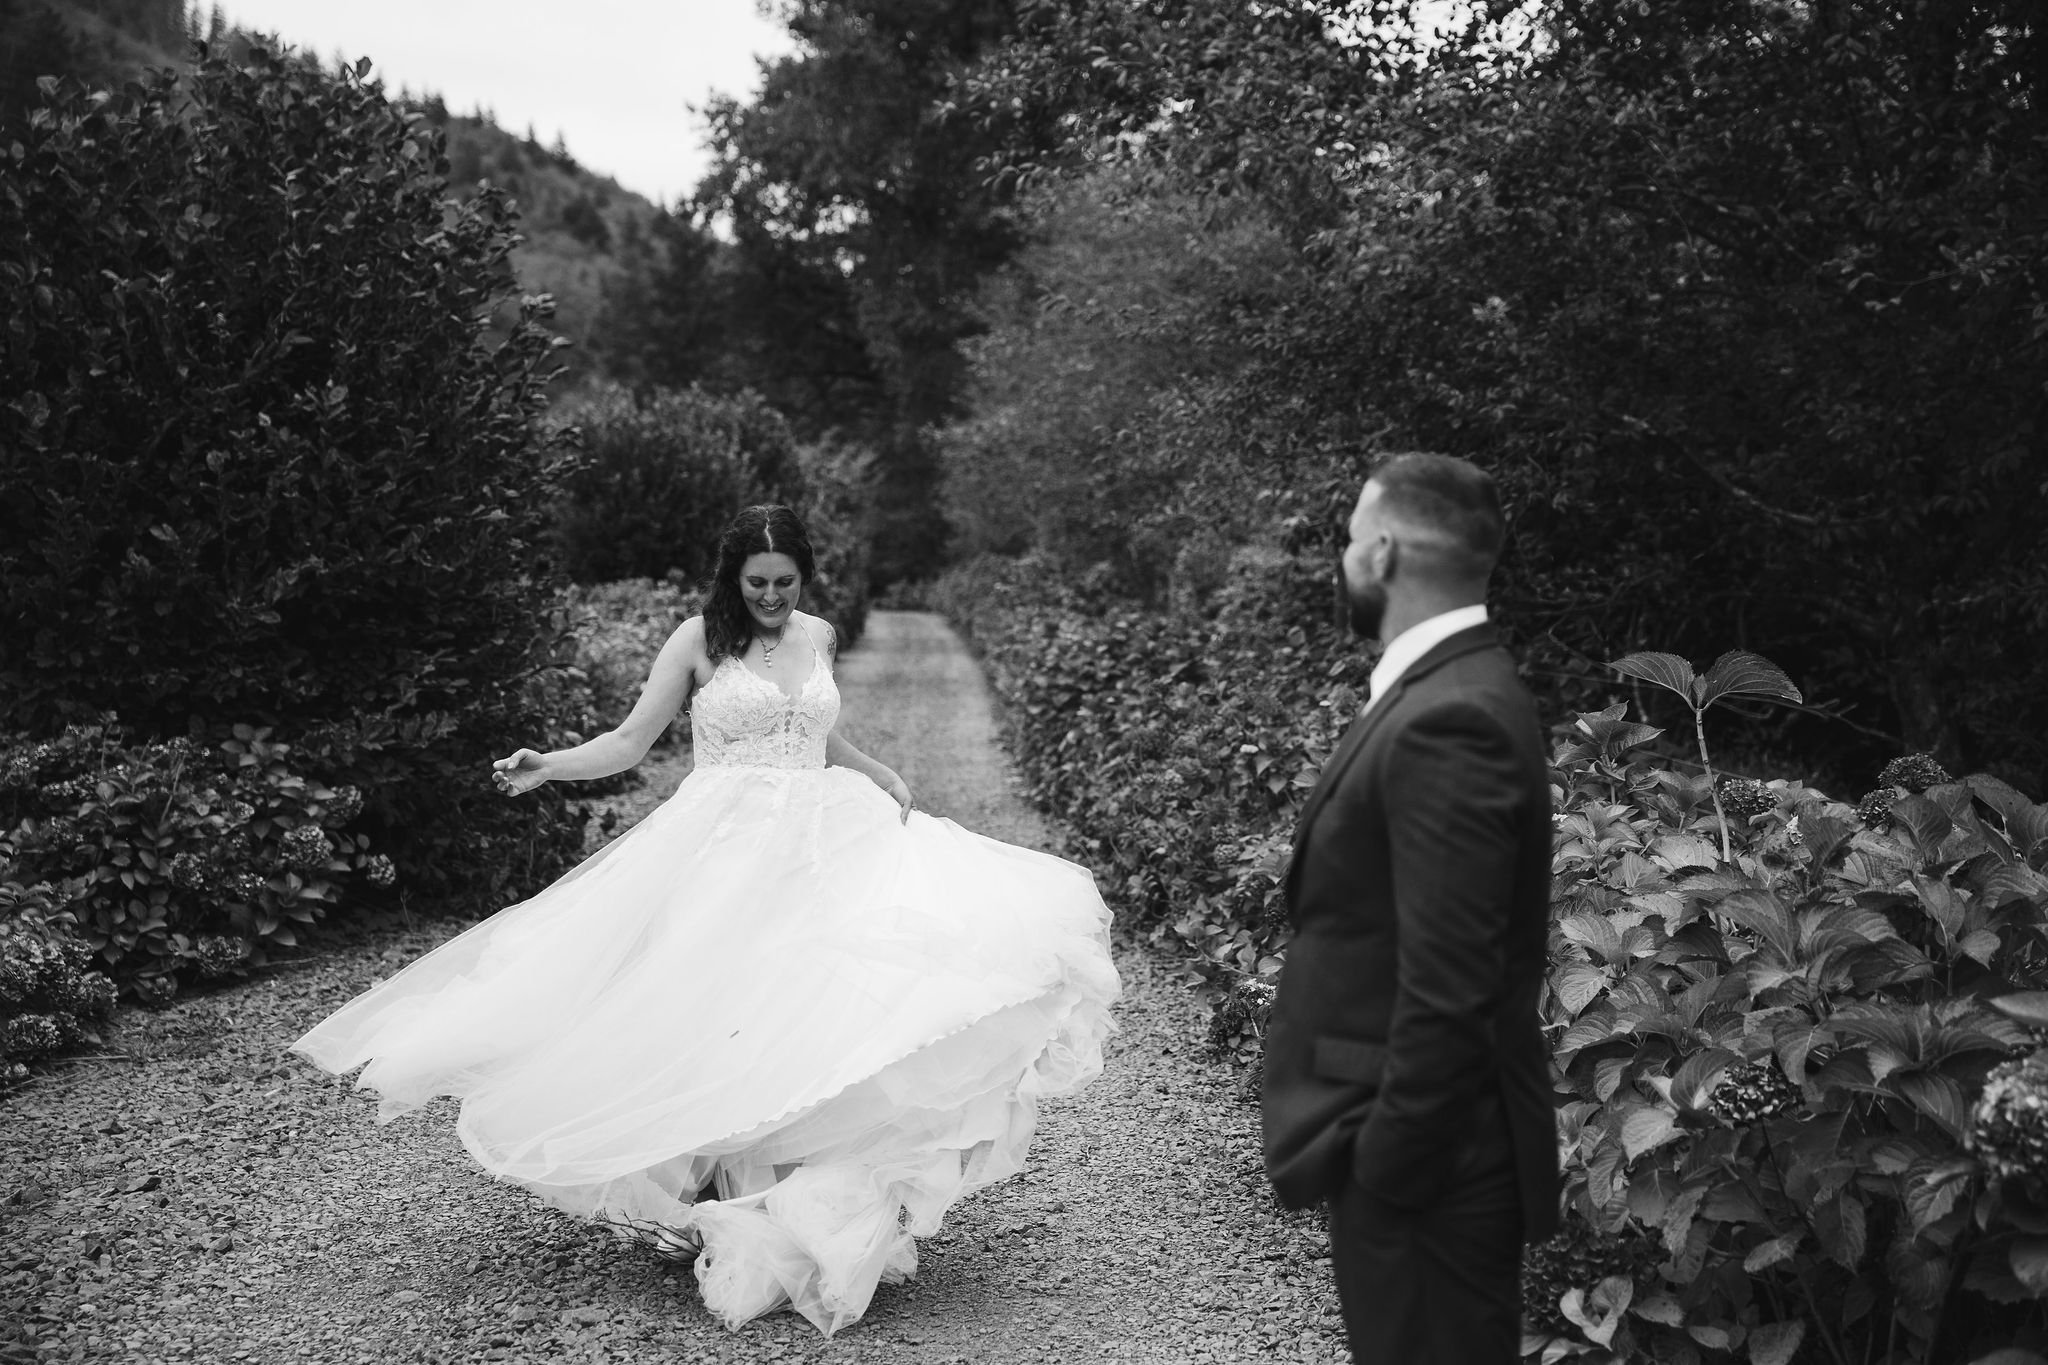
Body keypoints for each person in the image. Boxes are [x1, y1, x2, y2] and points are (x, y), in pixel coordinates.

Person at [291, 504, 1120, 1337]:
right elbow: (628, 741)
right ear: (731, 579)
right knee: (711, 1004)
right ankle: (695, 1186)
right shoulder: (697, 640)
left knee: (813, 1005)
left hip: (821, 840)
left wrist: (877, 770)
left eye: (783, 583)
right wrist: (549, 767)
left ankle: (782, 1181)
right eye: (755, 583)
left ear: (803, 578)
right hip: (723, 846)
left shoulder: (820, 633)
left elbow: (816, 731)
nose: (769, 597)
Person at [1260, 454, 1559, 1364]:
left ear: (1382, 551)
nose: (1345, 553)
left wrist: (1387, 1167)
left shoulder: (1450, 716)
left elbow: (1451, 983)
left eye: (1352, 535)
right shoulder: (1452, 685)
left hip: (1432, 1170)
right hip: (1432, 1159)